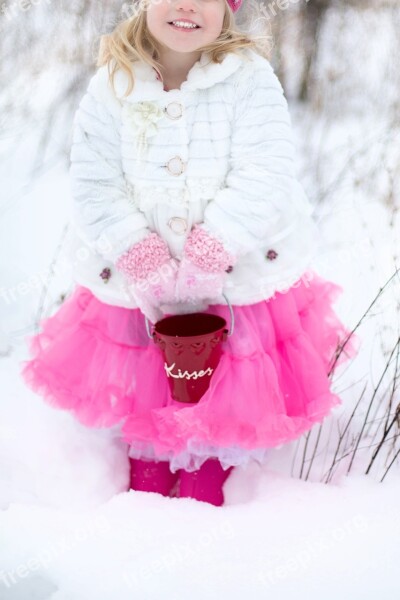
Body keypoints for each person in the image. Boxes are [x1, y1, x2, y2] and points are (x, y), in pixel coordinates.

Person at [20, 0, 358, 507]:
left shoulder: (249, 80)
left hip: (234, 282)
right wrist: (141, 256)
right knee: (150, 388)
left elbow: (264, 173)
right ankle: (145, 501)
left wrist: (210, 252)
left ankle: (210, 495)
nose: (186, 6)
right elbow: (94, 183)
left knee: (220, 389)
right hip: (138, 291)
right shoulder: (112, 85)